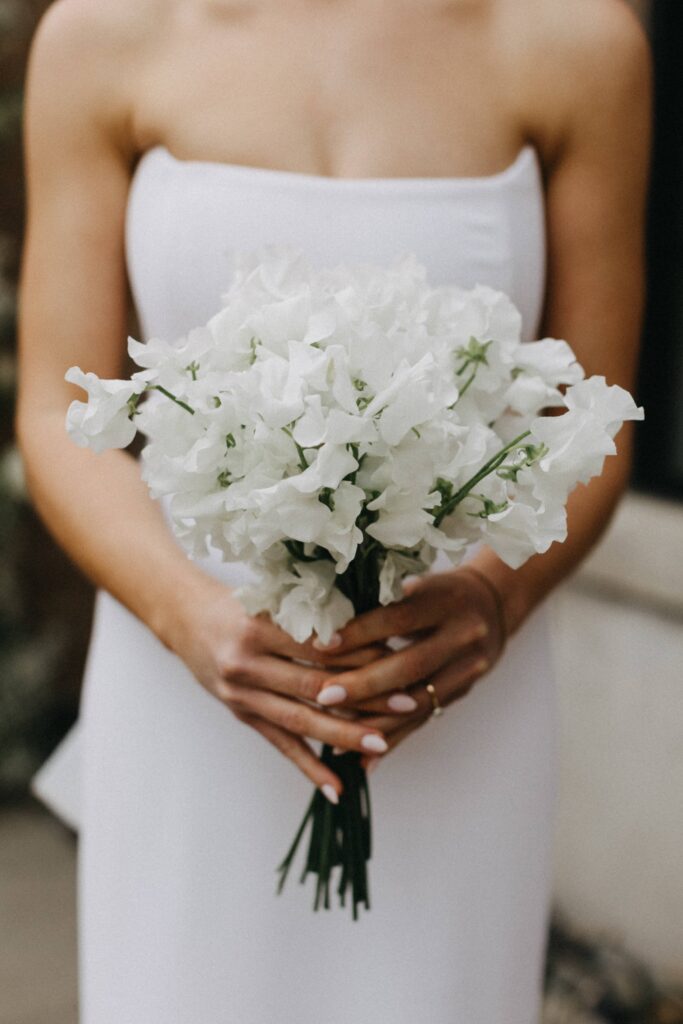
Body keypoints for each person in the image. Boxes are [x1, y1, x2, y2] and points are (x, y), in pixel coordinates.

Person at [16, 1, 651, 1021]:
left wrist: (493, 595)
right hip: (188, 678)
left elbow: (595, 416)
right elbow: (56, 404)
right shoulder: (103, 34)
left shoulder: (575, 40)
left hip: (445, 691)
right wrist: (190, 618)